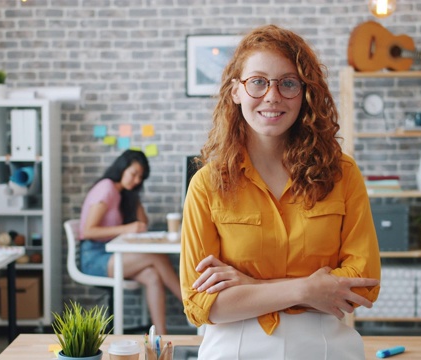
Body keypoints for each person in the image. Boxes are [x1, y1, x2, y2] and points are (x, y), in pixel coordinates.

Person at [179, 25, 381, 359]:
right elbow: (200, 304)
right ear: (236, 91)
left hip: (325, 349)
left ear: (305, 94)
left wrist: (253, 287)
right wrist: (307, 289)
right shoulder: (207, 183)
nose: (272, 96)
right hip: (235, 349)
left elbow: (363, 284)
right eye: (257, 81)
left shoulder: (342, 174)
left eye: (288, 83)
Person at [79, 149, 181, 335]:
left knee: (152, 275)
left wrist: (134, 195)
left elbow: (143, 223)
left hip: (110, 254)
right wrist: (126, 228)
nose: (136, 180)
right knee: (155, 255)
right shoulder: (106, 188)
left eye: (140, 177)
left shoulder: (121, 193)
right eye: (133, 174)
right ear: (121, 168)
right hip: (94, 257)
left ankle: (161, 335)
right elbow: (88, 231)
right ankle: (188, 301)